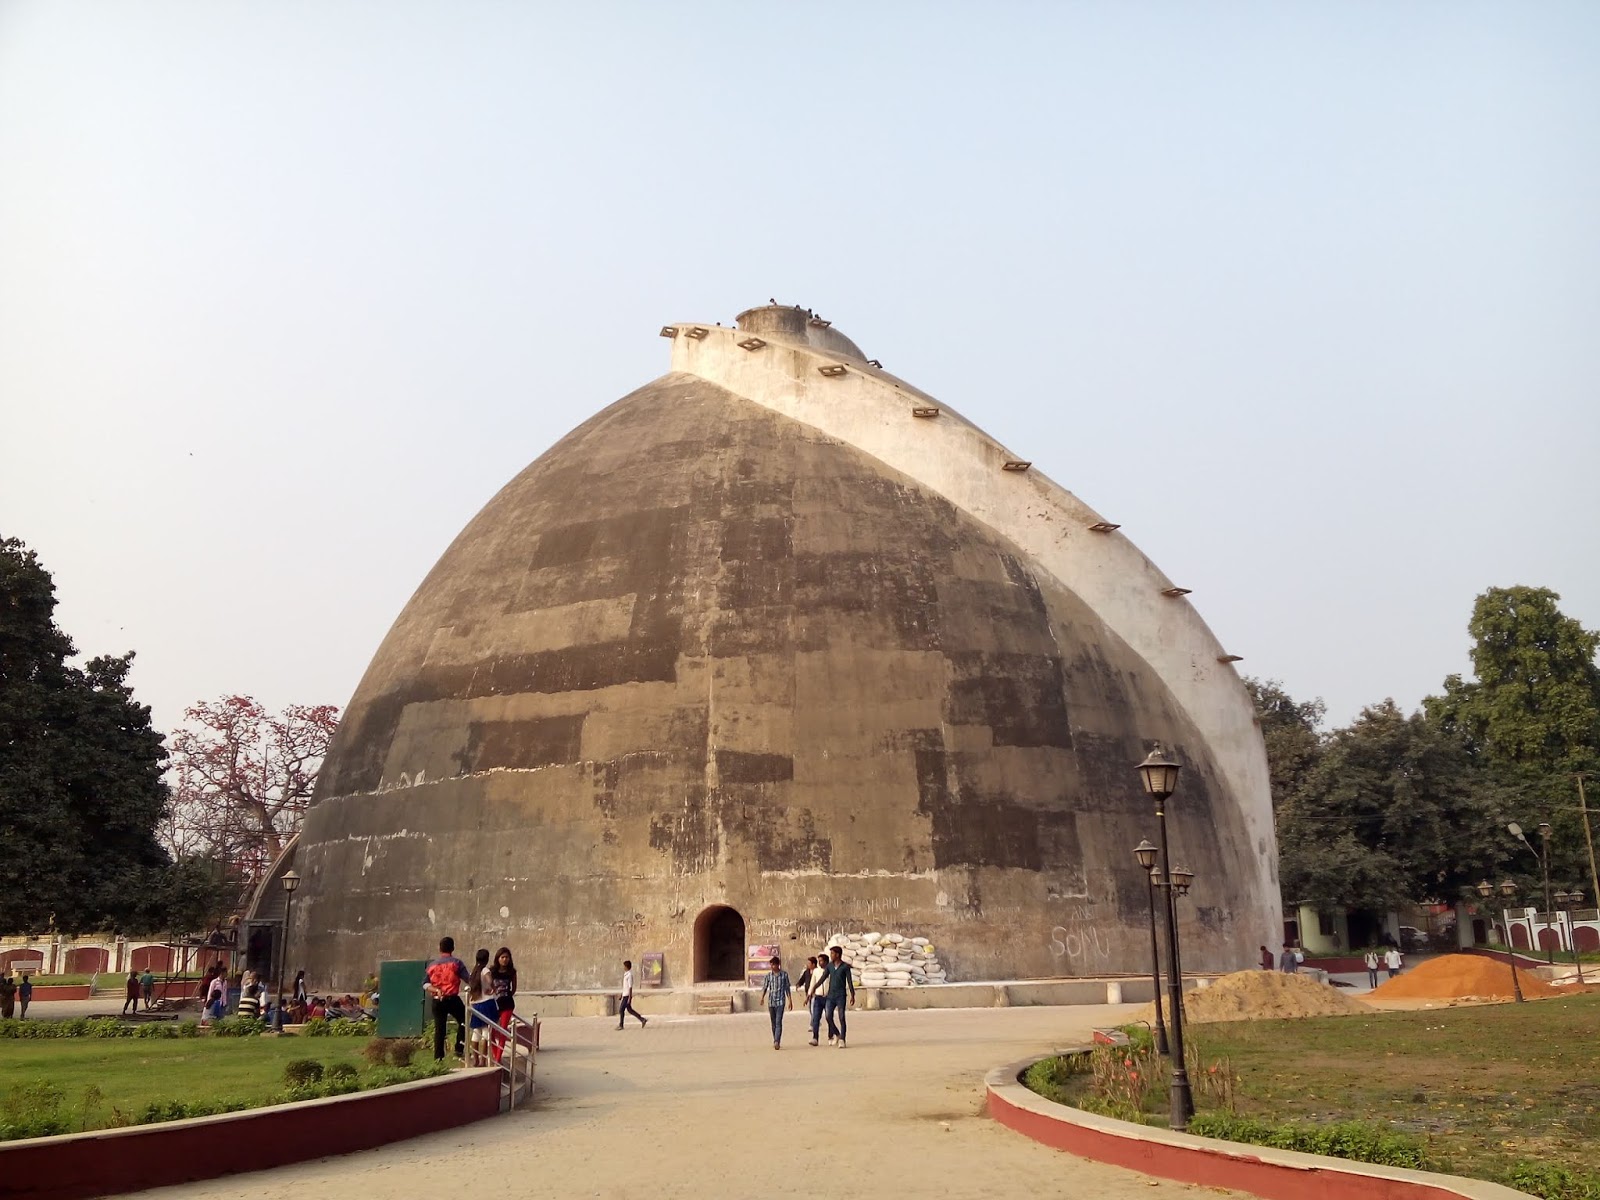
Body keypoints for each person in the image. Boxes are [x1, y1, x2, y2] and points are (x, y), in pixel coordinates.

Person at [424, 936, 470, 1061]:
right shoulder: (456, 963)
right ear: (453, 948)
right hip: (452, 998)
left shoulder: (432, 966)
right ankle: (459, 1049)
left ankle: (438, 1057)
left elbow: (425, 985)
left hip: (437, 1000)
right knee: (464, 1020)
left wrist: (437, 990)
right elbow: (468, 979)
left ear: (440, 948)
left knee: (440, 1028)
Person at [821, 945, 856, 1048]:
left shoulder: (845, 967)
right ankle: (837, 1033)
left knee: (841, 1017)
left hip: (840, 996)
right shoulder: (830, 966)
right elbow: (823, 978)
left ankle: (842, 1039)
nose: (831, 955)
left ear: (837, 954)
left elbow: (849, 982)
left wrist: (852, 995)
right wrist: (814, 988)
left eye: (832, 953)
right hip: (830, 995)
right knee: (828, 1016)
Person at [488, 947, 518, 1064]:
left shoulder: (512, 972)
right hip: (494, 1003)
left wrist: (507, 993)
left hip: (507, 1003)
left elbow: (514, 988)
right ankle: (496, 1054)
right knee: (491, 1031)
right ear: (498, 958)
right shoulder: (492, 971)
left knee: (503, 1030)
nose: (505, 960)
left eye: (507, 957)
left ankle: (498, 1058)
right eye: (502, 957)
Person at [468, 948, 496, 1065]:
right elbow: (490, 981)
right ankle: (483, 1059)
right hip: (486, 1002)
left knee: (476, 1031)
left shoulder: (473, 972)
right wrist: (493, 987)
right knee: (486, 1031)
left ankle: (475, 1059)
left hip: (475, 1003)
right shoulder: (485, 970)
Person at [761, 956, 792, 1049]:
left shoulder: (784, 975)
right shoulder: (768, 976)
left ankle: (777, 1041)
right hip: (771, 1002)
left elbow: (787, 988)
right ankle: (775, 1038)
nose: (772, 966)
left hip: (781, 1001)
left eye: (773, 964)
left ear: (778, 965)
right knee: (773, 1022)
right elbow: (765, 987)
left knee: (778, 1021)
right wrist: (762, 997)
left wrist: (790, 1001)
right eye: (771, 965)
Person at [806, 949, 831, 1046]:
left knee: (829, 1017)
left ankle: (831, 1035)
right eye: (819, 961)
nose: (819, 963)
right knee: (815, 1018)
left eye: (821, 961)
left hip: (828, 997)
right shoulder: (816, 971)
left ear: (826, 962)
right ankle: (815, 1038)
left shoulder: (831, 970)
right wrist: (809, 995)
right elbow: (813, 983)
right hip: (818, 997)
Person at [617, 960, 647, 1029]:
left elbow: (630, 987)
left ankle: (621, 1025)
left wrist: (630, 998)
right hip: (624, 994)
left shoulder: (629, 975)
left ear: (627, 967)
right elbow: (625, 986)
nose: (623, 967)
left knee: (621, 1010)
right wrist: (621, 994)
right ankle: (642, 1019)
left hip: (627, 995)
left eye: (624, 966)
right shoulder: (626, 974)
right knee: (630, 1010)